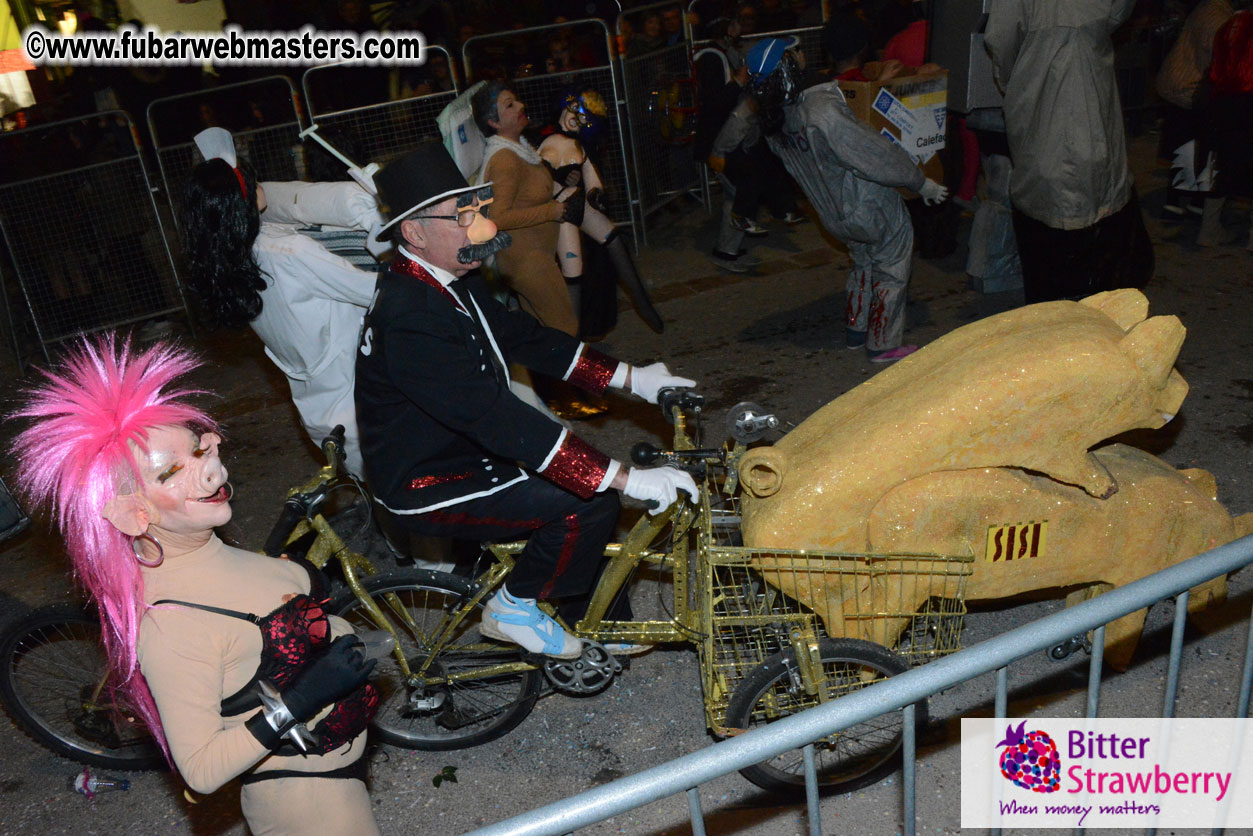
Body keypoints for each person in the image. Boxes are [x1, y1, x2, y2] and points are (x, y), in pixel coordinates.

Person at [10, 336, 380, 836]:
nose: (211, 469)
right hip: (309, 802)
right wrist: (302, 700)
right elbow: (201, 772)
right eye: (172, 471)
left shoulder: (210, 547)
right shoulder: (169, 628)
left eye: (199, 447)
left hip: (342, 775)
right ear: (134, 513)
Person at [355, 142, 699, 659]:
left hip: (462, 451)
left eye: (476, 209)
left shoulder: (439, 279)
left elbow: (526, 338)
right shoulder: (409, 313)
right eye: (461, 215)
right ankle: (514, 607)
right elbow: (491, 416)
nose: (478, 226)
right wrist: (623, 478)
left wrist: (632, 378)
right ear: (414, 232)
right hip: (426, 479)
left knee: (586, 490)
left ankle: (599, 620)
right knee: (589, 501)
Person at [180, 128, 384, 477]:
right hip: (358, 393)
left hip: (317, 403)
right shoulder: (288, 252)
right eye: (255, 181)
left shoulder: (230, 259)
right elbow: (374, 290)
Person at [747, 31, 948, 363]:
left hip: (831, 212)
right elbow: (873, 155)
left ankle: (857, 329)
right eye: (794, 53)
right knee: (891, 263)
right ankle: (883, 343)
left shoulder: (776, 122)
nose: (801, 56)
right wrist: (919, 182)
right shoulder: (820, 110)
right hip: (865, 204)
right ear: (787, 67)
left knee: (862, 262)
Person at [985, 0, 1154, 303]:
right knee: (1096, 188)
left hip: (1041, 96)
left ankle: (1058, 315)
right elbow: (1117, 14)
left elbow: (1001, 39)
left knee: (1048, 197)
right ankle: (1098, 309)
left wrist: (1017, 80)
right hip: (1092, 91)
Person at [537, 88, 666, 334]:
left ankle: (644, 306)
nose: (576, 121)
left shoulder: (578, 147)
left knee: (614, 241)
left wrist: (596, 196)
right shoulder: (548, 144)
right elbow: (537, 181)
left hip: (577, 205)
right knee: (573, 274)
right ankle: (572, 347)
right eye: (574, 116)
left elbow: (592, 182)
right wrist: (557, 181)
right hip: (562, 210)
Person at [471, 82, 582, 337]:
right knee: (566, 331)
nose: (521, 106)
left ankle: (541, 378)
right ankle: (585, 378)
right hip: (527, 263)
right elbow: (498, 217)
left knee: (541, 337)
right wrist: (552, 212)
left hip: (532, 259)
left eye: (517, 100)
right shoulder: (505, 159)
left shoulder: (518, 147)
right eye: (510, 105)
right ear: (494, 123)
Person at [1154, 0, 1233, 220]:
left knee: (1186, 145)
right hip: (1192, 88)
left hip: (1181, 85)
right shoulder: (1218, 15)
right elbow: (1219, 56)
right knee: (1203, 147)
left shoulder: (1206, 8)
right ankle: (1195, 201)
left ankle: (1177, 201)